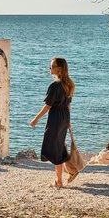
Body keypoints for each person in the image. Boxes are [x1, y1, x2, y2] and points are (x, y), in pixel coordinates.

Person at [30, 57, 76, 187]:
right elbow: (69, 104)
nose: (50, 68)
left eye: (52, 66)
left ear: (59, 69)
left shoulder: (55, 85)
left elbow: (48, 106)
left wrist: (36, 119)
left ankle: (59, 181)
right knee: (58, 145)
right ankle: (71, 171)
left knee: (53, 147)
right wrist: (68, 120)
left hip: (56, 118)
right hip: (64, 116)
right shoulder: (69, 84)